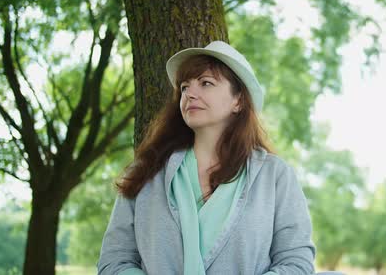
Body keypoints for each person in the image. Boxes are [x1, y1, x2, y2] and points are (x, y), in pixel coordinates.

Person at [97, 40, 316, 274]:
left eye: (206, 83)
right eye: (184, 87)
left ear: (238, 100)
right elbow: (114, 261)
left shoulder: (274, 175)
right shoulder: (145, 171)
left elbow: (296, 262)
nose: (190, 94)